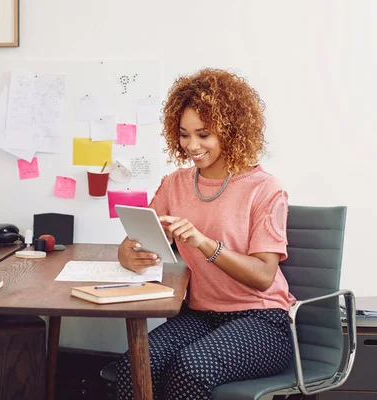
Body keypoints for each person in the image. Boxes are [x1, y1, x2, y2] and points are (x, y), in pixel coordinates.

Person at [115, 68, 296, 400]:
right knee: (134, 365)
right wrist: (128, 254)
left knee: (190, 368)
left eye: (204, 134)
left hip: (264, 320)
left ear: (231, 131)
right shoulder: (176, 184)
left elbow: (263, 276)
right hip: (200, 315)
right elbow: (139, 241)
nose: (192, 146)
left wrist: (204, 243)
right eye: (184, 134)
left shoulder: (264, 188)